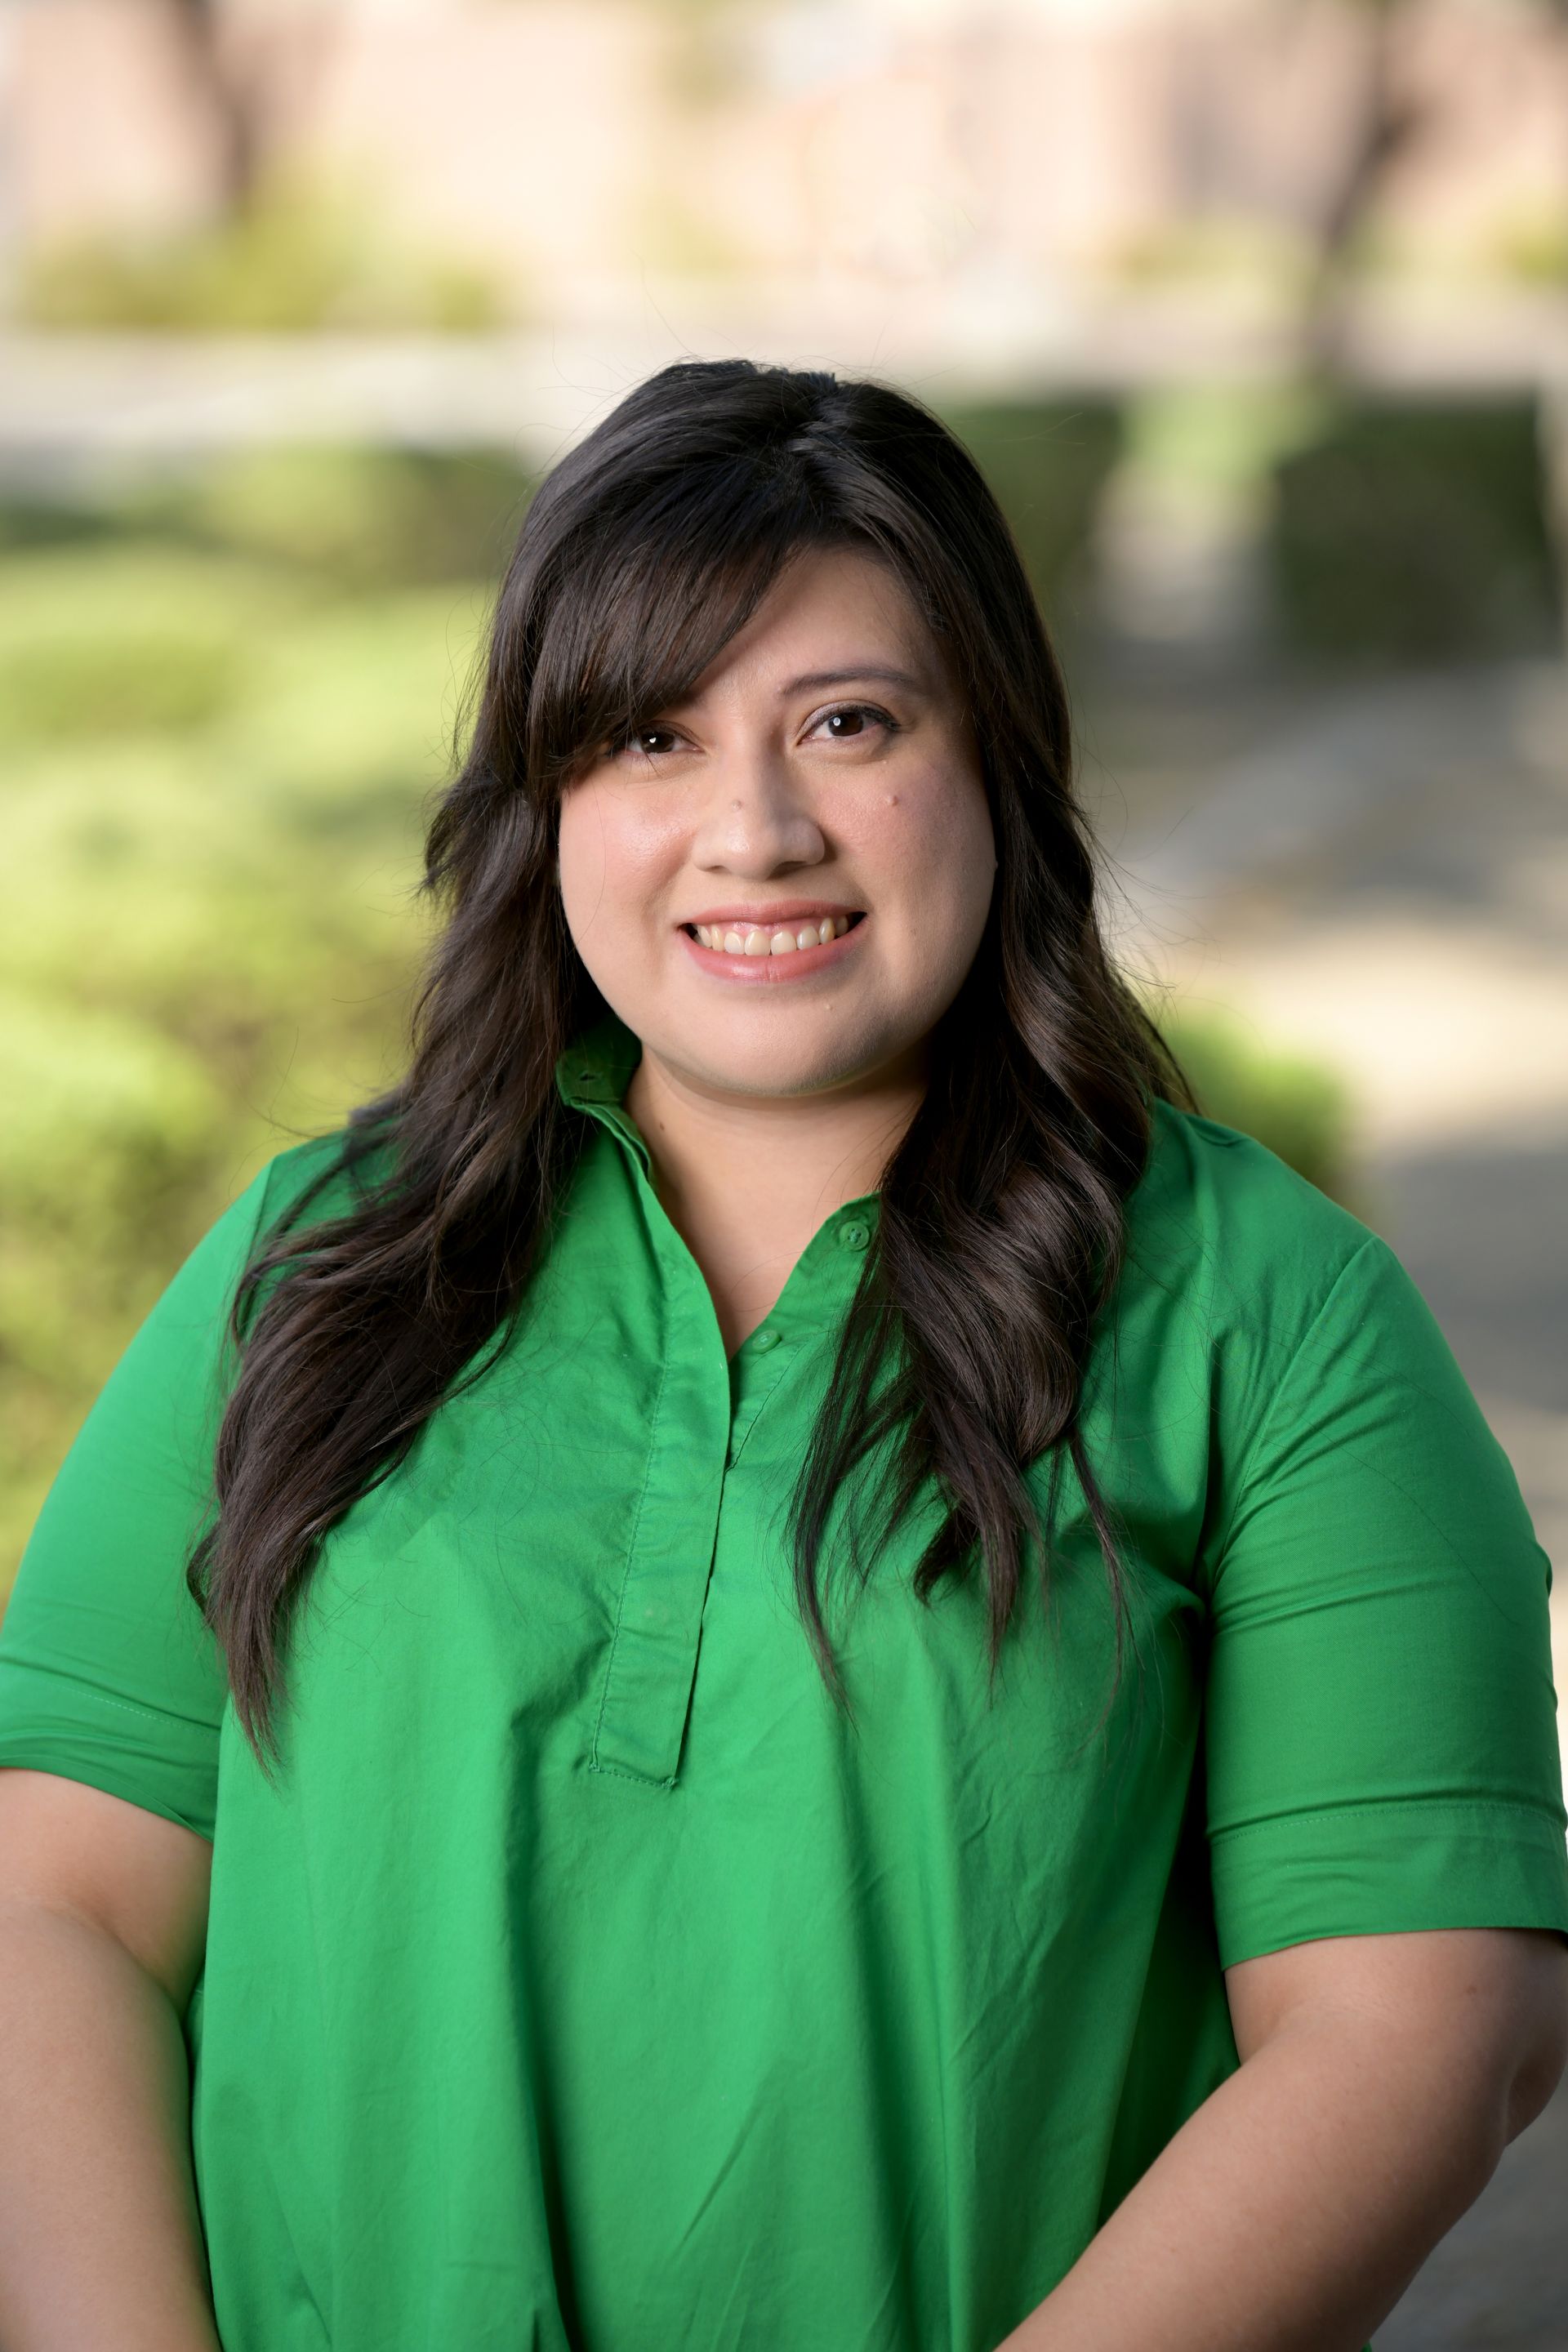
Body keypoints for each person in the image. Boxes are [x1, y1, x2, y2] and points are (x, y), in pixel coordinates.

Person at [0, 359, 1564, 2352]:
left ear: (997, 762)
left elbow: (1421, 2021)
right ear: (547, 803)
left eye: (847, 723)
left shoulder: (1272, 1308)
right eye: (651, 738)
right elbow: (56, 1907)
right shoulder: (309, 1264)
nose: (752, 828)